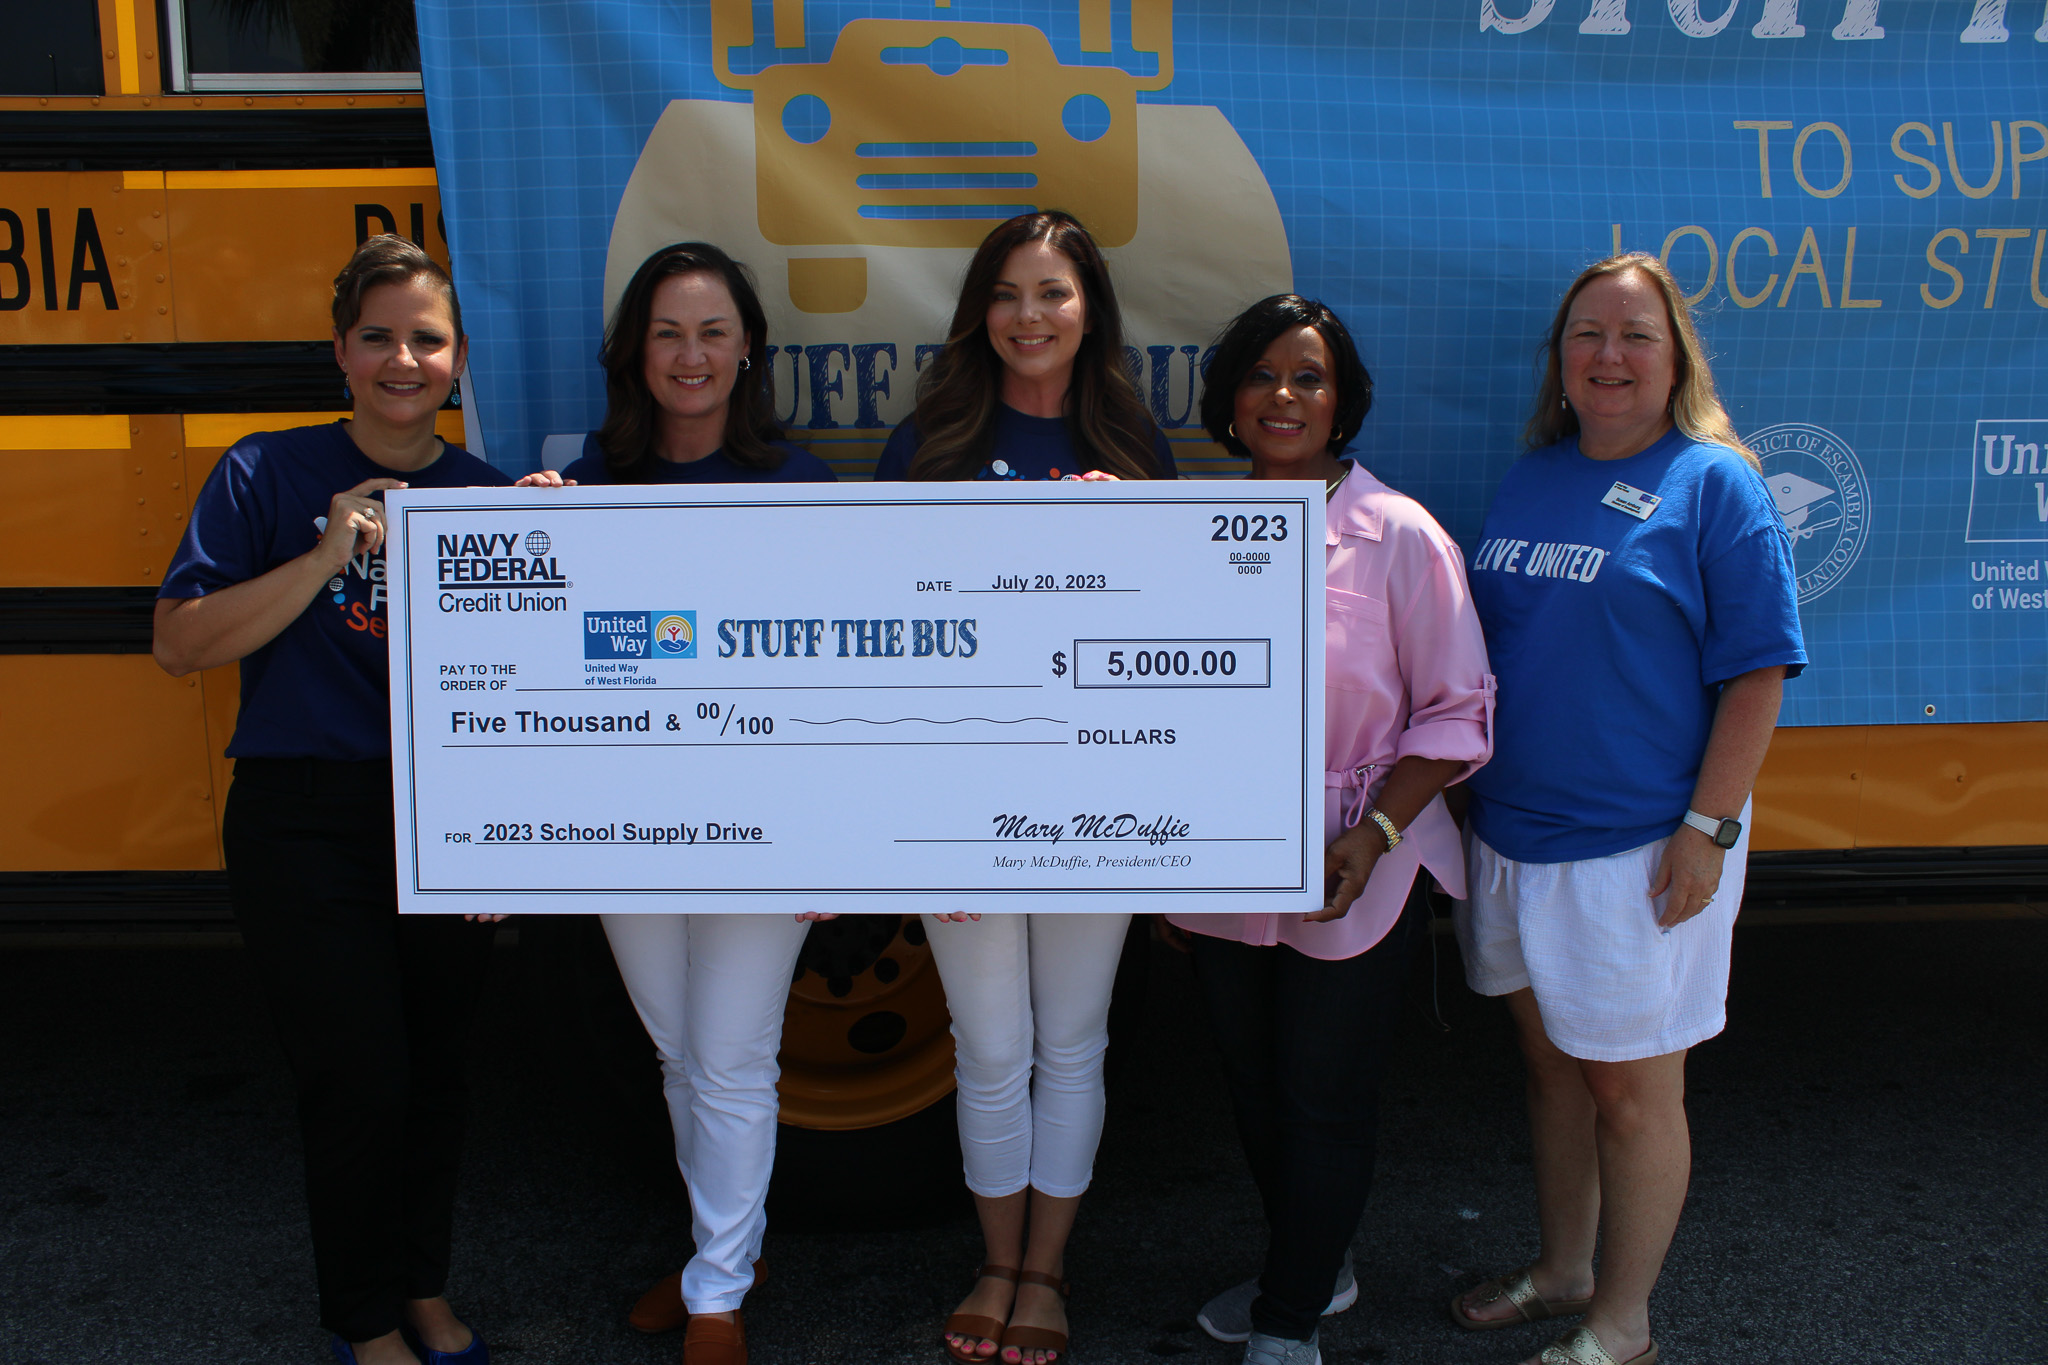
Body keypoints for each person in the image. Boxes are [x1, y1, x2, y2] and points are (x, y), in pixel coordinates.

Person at [152, 235, 551, 1365]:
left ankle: (421, 1286)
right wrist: (330, 551)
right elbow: (180, 645)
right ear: (340, 351)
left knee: (436, 1074)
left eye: (425, 339)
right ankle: (363, 1316)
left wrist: (506, 844)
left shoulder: (484, 497)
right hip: (303, 815)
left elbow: (543, 692)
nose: (401, 360)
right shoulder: (263, 474)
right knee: (357, 1075)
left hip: (443, 820)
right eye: (377, 336)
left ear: (457, 358)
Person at [1450, 253, 1804, 1365]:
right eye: (1585, 336)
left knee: (1634, 1099)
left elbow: (1755, 672)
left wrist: (1706, 828)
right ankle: (1562, 1274)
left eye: (1633, 336)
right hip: (1510, 836)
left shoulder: (1715, 483)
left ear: (1673, 357)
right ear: (1558, 361)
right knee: (1553, 1069)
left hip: (1637, 850)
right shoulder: (1531, 475)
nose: (1607, 356)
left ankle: (1623, 1321)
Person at [1163, 296, 1495, 1365]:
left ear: (1341, 400)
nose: (1283, 396)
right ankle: (1319, 1265)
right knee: (1254, 1083)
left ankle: (1288, 1319)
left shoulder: (1398, 534)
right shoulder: (1196, 534)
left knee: (1323, 1090)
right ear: (1228, 401)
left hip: (1356, 854)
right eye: (1261, 375)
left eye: (1307, 377)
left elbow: (1457, 712)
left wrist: (1378, 835)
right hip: (1220, 852)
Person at [875, 210, 1173, 1365]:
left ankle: (1044, 1273)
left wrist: (1131, 530)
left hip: (1096, 800)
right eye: (1005, 295)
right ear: (977, 314)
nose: (1027, 317)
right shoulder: (929, 443)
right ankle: (994, 1261)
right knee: (988, 1046)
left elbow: (1179, 635)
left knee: (1074, 1042)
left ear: (1087, 307)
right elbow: (884, 632)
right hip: (961, 806)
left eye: (1050, 293)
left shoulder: (1133, 444)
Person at [548, 241, 835, 1365]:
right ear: (636, 350)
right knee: (679, 1053)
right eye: (668, 331)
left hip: (763, 826)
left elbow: (835, 674)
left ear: (748, 347)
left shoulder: (800, 485)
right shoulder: (589, 478)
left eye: (712, 331)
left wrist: (831, 837)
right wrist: (531, 524)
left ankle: (716, 1292)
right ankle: (729, 1246)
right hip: (630, 821)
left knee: (731, 1053)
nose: (691, 353)